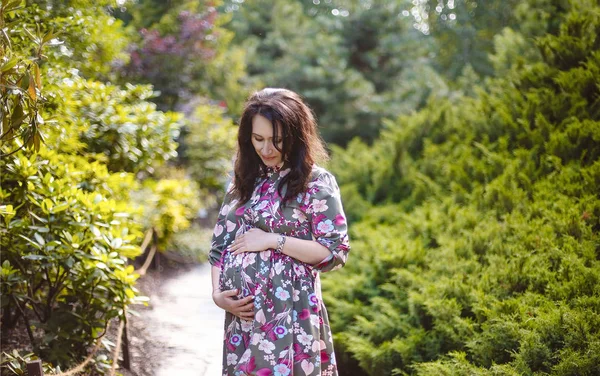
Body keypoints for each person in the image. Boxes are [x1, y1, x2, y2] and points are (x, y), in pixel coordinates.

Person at [209, 88, 350, 376]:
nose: (266, 149)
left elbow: (334, 252)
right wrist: (217, 295)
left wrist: (272, 240)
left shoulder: (316, 182)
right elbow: (220, 247)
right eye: (257, 139)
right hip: (244, 321)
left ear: (296, 138)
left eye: (277, 140)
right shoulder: (243, 181)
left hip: (292, 317)